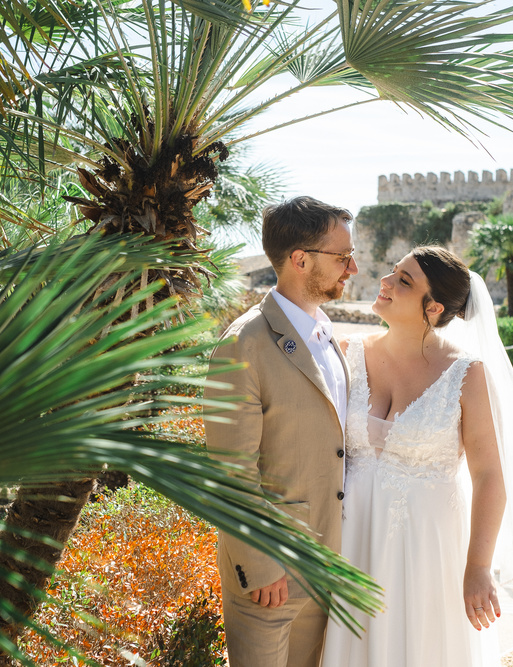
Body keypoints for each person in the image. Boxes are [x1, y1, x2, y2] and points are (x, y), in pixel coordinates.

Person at [322, 246, 513, 667]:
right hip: (353, 540)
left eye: (403, 281)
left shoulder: (465, 373)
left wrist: (478, 566)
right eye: (392, 272)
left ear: (434, 307)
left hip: (430, 547)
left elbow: (489, 476)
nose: (385, 282)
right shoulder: (347, 351)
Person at [205, 196, 358, 667]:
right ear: (300, 259)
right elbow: (231, 471)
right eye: (342, 256)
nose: (351, 268)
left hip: (327, 564)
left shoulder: (328, 334)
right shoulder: (241, 344)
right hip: (273, 578)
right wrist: (262, 564)